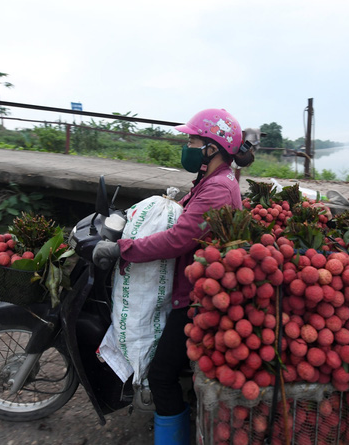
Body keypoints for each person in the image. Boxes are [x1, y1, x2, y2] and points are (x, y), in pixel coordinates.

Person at [92, 108, 255, 445]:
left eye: (193, 140)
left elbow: (179, 238)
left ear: (212, 147)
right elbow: (190, 219)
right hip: (191, 286)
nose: (188, 146)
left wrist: (124, 249)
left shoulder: (218, 188)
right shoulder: (212, 180)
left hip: (197, 299)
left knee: (162, 376)